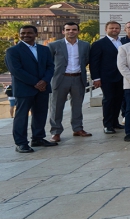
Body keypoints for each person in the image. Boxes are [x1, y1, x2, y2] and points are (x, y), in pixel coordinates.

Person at [6, 25, 56, 153]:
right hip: (24, 89)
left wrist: (44, 81)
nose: (25, 35)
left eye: (29, 33)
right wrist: (36, 83)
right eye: (23, 33)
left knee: (40, 114)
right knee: (21, 116)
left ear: (36, 34)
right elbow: (16, 70)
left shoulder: (44, 50)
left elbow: (50, 67)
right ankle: (21, 143)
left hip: (43, 88)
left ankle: (38, 138)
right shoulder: (13, 51)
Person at [47, 22, 91, 141]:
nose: (71, 32)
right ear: (63, 31)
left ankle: (77, 128)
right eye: (68, 29)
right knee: (56, 106)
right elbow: (48, 62)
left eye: (74, 29)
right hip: (60, 79)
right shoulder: (54, 45)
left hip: (78, 78)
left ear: (78, 31)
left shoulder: (85, 45)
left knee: (77, 105)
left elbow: (86, 60)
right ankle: (56, 132)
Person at [90, 20, 126, 134]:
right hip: (107, 78)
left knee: (118, 100)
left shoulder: (123, 42)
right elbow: (94, 62)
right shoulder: (99, 44)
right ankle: (108, 125)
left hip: (122, 77)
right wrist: (96, 78)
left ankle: (115, 122)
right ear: (106, 29)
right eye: (112, 28)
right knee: (109, 100)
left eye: (116, 28)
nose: (114, 30)